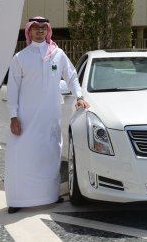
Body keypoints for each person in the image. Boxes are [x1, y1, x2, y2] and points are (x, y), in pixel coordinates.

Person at [5, 16, 89, 214]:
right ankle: (18, 199)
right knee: (21, 157)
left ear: (48, 30)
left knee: (50, 155)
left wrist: (79, 96)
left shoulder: (58, 54)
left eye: (43, 28)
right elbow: (12, 89)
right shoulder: (20, 57)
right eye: (36, 28)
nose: (40, 31)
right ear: (29, 31)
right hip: (26, 118)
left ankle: (51, 195)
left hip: (51, 116)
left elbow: (71, 76)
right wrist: (13, 116)